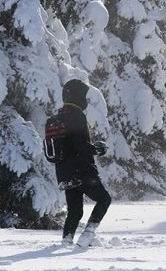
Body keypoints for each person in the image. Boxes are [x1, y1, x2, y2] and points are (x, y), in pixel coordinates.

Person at [55, 78, 111, 247]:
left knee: (75, 211)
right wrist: (97, 149)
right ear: (77, 96)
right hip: (82, 169)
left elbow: (69, 145)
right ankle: (87, 235)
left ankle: (66, 241)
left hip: (63, 171)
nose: (85, 100)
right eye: (84, 96)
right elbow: (79, 145)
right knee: (104, 199)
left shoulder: (59, 116)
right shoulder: (77, 116)